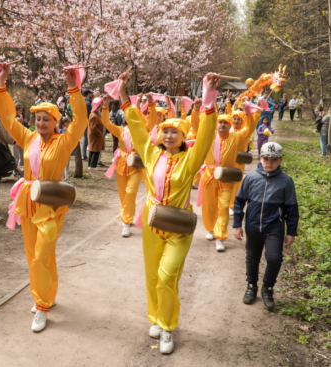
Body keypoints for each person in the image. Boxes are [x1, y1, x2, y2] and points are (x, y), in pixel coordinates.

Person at [118, 72, 220, 354]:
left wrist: (209, 96)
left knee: (167, 275)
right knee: (152, 273)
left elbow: (208, 133)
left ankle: (167, 326)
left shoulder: (191, 157)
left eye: (175, 131)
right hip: (152, 218)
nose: (169, 135)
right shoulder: (151, 154)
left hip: (178, 222)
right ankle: (155, 317)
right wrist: (124, 94)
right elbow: (137, 127)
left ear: (183, 135)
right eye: (165, 131)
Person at [0, 63, 87, 332]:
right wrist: (1, 86)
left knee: (41, 255)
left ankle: (42, 305)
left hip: (52, 205)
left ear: (56, 122)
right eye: (38, 119)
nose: (41, 123)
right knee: (35, 255)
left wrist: (73, 89)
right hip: (28, 202)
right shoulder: (29, 138)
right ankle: (47, 294)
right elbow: (9, 119)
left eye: (46, 119)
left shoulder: (64, 142)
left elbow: (80, 120)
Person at [233, 142, 299, 311]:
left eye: (274, 159)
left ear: (281, 160)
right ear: (260, 158)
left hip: (274, 228)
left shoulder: (286, 181)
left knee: (275, 258)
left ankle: (267, 288)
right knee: (252, 257)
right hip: (253, 226)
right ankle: (251, 286)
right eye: (266, 158)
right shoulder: (251, 177)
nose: (269, 162)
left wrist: (291, 231)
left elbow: (292, 208)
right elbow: (239, 201)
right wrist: (237, 224)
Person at [199, 98, 259, 252]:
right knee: (209, 205)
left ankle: (220, 236)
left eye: (226, 123)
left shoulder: (236, 137)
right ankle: (210, 229)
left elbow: (250, 127)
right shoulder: (210, 136)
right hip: (209, 176)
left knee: (224, 206)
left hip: (226, 176)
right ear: (216, 124)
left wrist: (249, 115)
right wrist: (198, 108)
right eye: (220, 122)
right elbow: (197, 125)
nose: (222, 125)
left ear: (230, 125)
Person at [100, 95, 144, 237]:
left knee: (131, 192)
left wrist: (141, 106)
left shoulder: (142, 130)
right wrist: (105, 107)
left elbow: (152, 122)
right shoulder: (120, 130)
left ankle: (126, 222)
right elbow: (106, 122)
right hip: (122, 163)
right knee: (123, 194)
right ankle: (129, 214)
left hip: (136, 165)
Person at [87, 99, 104, 170]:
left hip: (94, 136)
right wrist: (100, 134)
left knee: (92, 150)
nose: (100, 108)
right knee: (95, 151)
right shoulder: (94, 115)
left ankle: (90, 165)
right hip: (95, 136)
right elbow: (93, 128)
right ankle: (92, 166)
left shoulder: (94, 114)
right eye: (100, 107)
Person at [81, 89, 94, 159]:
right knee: (87, 138)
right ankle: (84, 155)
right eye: (90, 93)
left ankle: (84, 154)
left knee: (85, 138)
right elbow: (90, 114)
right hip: (87, 122)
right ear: (88, 94)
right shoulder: (88, 103)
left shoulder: (81, 101)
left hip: (82, 122)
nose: (91, 95)